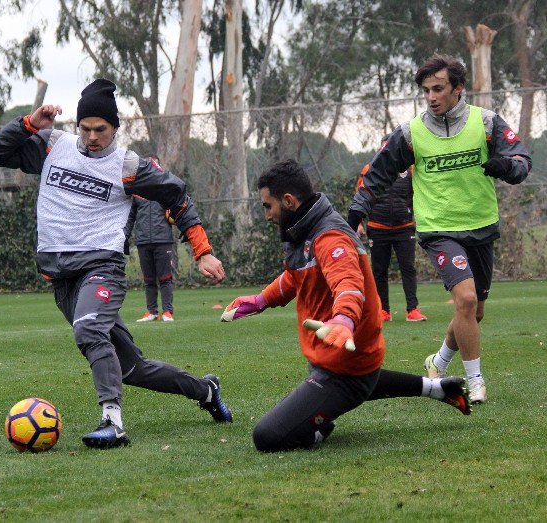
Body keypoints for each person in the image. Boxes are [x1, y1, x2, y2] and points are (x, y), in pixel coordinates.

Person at [0, 78, 232, 449]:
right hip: (61, 278)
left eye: (101, 129)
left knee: (88, 329)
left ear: (115, 128)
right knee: (132, 368)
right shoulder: (54, 146)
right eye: (85, 128)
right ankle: (206, 390)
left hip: (103, 268)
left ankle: (112, 420)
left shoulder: (128, 165)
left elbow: (177, 196)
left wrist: (203, 251)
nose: (92, 136)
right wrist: (30, 123)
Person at [221, 159, 470, 453]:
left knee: (267, 436)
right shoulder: (308, 229)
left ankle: (320, 427)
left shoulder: (329, 237)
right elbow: (295, 276)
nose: (266, 215)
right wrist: (260, 301)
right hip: (343, 364)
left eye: (268, 206)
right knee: (357, 380)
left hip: (345, 368)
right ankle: (437, 388)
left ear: (288, 201)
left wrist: (343, 320)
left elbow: (348, 284)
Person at [348, 55, 531, 404]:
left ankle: (438, 360)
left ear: (457, 89)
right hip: (438, 229)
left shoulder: (486, 122)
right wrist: (357, 211)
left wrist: (506, 166)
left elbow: (522, 159)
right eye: (425, 90)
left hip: (480, 226)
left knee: (473, 311)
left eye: (438, 89)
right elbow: (377, 174)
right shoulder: (410, 133)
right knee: (464, 299)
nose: (431, 97)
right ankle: (475, 382)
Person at [356, 136, 426, 322]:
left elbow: (418, 195)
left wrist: (413, 214)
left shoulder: (411, 169)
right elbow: (360, 197)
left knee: (408, 268)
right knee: (379, 270)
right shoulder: (369, 170)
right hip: (377, 228)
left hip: (404, 228)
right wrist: (358, 224)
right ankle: (383, 311)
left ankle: (413, 310)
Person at [124, 155, 176, 322]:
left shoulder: (167, 188)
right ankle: (152, 312)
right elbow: (130, 217)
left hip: (163, 240)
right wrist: (124, 236)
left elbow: (178, 210)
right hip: (143, 241)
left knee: (165, 278)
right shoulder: (137, 192)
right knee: (148, 280)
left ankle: (167, 312)